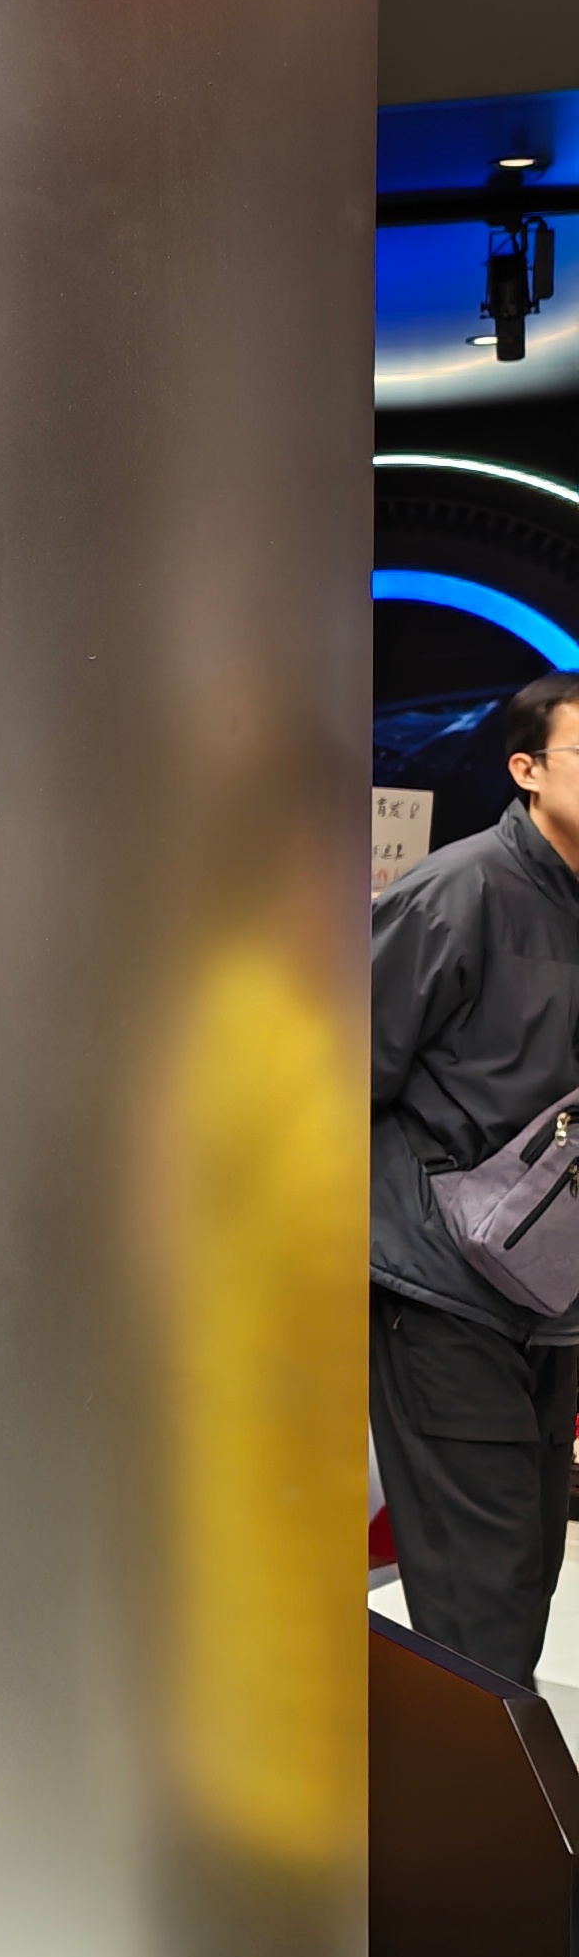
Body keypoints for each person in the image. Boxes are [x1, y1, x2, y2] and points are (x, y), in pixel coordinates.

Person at [370, 668, 579, 1679]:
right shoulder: (459, 890)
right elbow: (339, 1070)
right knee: (481, 1602)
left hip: (550, 1291)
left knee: (527, 1575)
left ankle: (471, 1775)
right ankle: (462, 1788)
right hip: (444, 1287)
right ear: (526, 770)